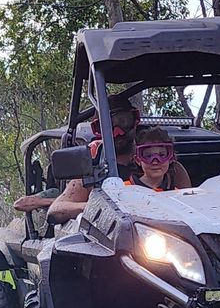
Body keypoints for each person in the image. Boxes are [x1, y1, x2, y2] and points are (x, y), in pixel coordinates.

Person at [14, 93, 142, 225]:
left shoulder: (155, 155)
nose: (117, 132)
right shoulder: (95, 165)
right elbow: (57, 210)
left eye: (123, 121)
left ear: (135, 120)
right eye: (108, 126)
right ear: (98, 130)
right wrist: (102, 209)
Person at [126, 124, 192, 191]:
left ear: (171, 158)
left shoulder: (175, 194)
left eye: (162, 155)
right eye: (148, 156)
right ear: (138, 160)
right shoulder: (124, 189)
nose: (155, 162)